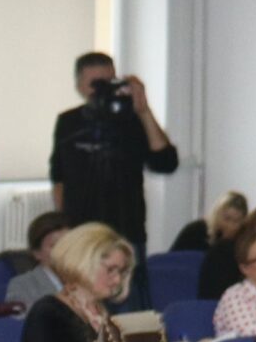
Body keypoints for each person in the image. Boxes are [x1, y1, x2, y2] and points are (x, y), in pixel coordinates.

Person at [49, 51, 180, 300]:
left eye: (108, 83)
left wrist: (144, 111)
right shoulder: (68, 122)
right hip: (82, 234)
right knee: (83, 305)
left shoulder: (132, 120)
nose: (102, 91)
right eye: (95, 84)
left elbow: (166, 163)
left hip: (126, 232)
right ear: (79, 86)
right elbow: (58, 177)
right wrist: (64, 226)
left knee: (129, 305)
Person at [18, 224, 135, 342]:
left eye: (121, 272)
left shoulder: (102, 311)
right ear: (83, 264)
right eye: (110, 270)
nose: (117, 280)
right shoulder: (48, 314)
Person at [2, 212, 76, 310]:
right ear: (37, 253)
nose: (63, 251)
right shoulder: (21, 285)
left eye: (69, 244)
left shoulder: (87, 279)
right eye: (54, 246)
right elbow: (25, 318)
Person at [172, 189, 249, 257]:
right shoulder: (195, 231)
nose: (230, 225)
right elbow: (171, 260)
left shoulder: (243, 243)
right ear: (217, 215)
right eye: (227, 219)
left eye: (236, 221)